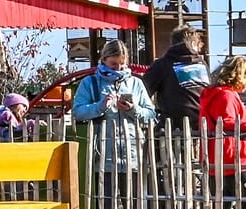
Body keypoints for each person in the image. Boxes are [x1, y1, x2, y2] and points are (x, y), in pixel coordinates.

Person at [72, 39, 156, 184]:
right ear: (103, 60)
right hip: (103, 157)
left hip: (133, 157)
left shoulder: (136, 83)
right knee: (105, 205)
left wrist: (133, 109)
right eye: (113, 64)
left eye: (122, 64)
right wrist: (100, 106)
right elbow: (78, 112)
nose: (118, 68)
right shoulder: (89, 83)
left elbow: (151, 115)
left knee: (135, 205)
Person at [200, 56, 246, 182]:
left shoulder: (215, 93)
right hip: (232, 157)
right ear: (239, 76)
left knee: (221, 200)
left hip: (217, 157)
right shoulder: (225, 95)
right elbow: (228, 123)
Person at [143, 26, 211, 126]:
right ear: (194, 44)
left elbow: (143, 91)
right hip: (202, 124)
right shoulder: (202, 65)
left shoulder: (163, 64)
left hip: (173, 126)